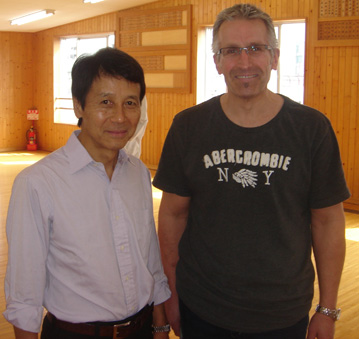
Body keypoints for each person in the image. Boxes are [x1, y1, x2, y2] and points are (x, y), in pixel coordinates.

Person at [153, 3, 350, 339]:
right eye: (231, 51)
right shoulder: (188, 127)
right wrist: (170, 292)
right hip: (201, 307)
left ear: (273, 57)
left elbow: (328, 221)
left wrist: (327, 309)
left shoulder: (311, 129)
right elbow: (172, 216)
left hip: (282, 313)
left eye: (256, 49)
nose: (244, 62)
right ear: (216, 61)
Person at [4, 47, 171, 339]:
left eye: (130, 103)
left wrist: (160, 324)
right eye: (106, 102)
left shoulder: (138, 173)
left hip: (142, 329)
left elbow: (148, 256)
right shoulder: (38, 183)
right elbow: (24, 292)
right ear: (79, 106)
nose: (120, 117)